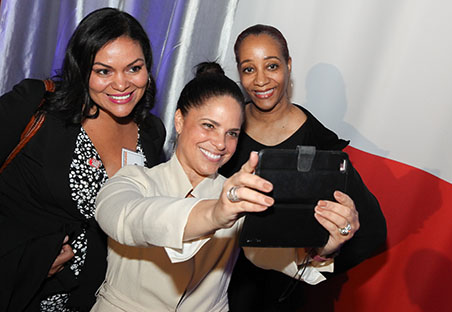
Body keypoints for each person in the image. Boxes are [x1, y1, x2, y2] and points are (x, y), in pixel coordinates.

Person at [91, 62, 347, 312]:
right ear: (179, 121)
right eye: (209, 126)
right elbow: (125, 219)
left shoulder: (237, 196)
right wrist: (215, 214)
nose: (220, 143)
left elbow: (278, 255)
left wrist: (326, 245)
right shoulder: (135, 180)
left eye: (232, 133)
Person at [0, 7, 166, 311]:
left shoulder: (152, 134)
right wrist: (30, 259)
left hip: (99, 300)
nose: (121, 84)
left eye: (134, 68)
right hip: (20, 294)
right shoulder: (35, 106)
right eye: (104, 71)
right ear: (81, 69)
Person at [219, 24, 387, 311]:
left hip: (284, 298)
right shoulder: (225, 131)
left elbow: (371, 233)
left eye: (271, 66)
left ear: (288, 65)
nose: (260, 80)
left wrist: (321, 255)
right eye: (249, 69)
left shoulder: (321, 146)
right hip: (216, 293)